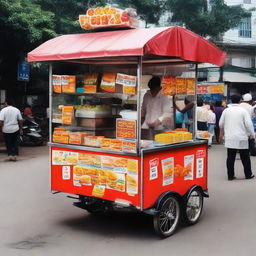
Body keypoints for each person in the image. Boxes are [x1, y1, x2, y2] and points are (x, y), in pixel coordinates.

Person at [219, 94, 255, 180]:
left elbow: (221, 124)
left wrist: (222, 133)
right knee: (245, 157)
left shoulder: (226, 111)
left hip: (230, 137)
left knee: (230, 157)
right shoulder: (243, 111)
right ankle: (248, 175)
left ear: (231, 100)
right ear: (240, 101)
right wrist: (252, 134)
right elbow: (249, 124)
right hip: (242, 137)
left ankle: (230, 176)